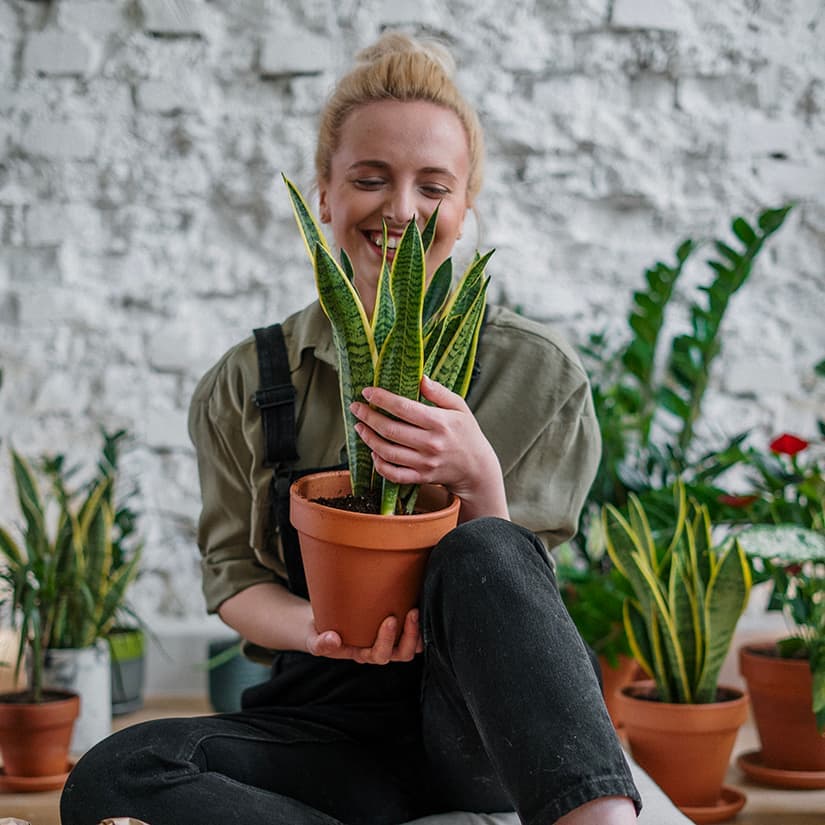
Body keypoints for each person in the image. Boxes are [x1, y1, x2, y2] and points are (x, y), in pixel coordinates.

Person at [61, 32, 641, 825]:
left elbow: (514, 603)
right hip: (323, 725)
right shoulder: (246, 381)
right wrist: (322, 630)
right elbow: (234, 578)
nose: (399, 209)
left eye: (432, 185)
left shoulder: (535, 374)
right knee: (117, 771)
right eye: (370, 178)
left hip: (476, 733)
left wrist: (479, 480)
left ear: (464, 207)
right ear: (325, 196)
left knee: (485, 545)